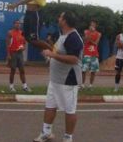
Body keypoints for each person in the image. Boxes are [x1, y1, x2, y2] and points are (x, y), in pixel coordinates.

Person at [33, 12, 83, 142]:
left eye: (60, 17)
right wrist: (48, 52)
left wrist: (53, 55)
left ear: (65, 21)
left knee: (70, 110)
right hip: (55, 79)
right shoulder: (63, 35)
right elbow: (58, 52)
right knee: (50, 105)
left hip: (68, 80)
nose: (58, 18)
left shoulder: (73, 37)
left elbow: (73, 59)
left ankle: (68, 138)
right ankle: (46, 132)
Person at [8, 0, 72, 50]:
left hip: (34, 14)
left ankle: (55, 52)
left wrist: (16, 4)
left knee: (34, 39)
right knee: (27, 38)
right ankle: (49, 53)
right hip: (29, 13)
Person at [6, 20, 31, 93]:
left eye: (19, 23)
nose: (18, 25)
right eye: (16, 23)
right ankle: (11, 87)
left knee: (22, 70)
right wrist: (8, 54)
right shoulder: (10, 33)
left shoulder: (22, 33)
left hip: (20, 53)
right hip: (13, 53)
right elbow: (7, 44)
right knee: (13, 70)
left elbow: (24, 43)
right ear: (13, 24)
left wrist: (23, 47)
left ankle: (25, 86)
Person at [81, 20, 101, 90]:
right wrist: (90, 34)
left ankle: (90, 85)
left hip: (94, 54)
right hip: (86, 53)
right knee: (83, 70)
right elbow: (85, 40)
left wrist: (90, 40)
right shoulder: (86, 31)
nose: (92, 25)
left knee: (93, 71)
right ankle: (82, 85)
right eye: (91, 24)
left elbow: (96, 44)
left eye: (93, 24)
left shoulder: (98, 34)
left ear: (95, 25)